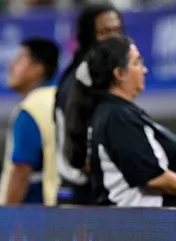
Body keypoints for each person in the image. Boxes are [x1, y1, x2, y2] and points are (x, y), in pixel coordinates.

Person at [64, 36, 176, 207]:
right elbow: (151, 178)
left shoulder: (119, 112)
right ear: (119, 73)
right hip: (141, 226)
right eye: (137, 63)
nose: (144, 70)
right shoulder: (117, 117)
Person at [54, 4, 124, 205]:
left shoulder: (109, 79)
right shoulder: (78, 84)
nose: (113, 38)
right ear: (88, 36)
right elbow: (82, 154)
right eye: (105, 32)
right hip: (82, 199)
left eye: (117, 30)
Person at [0, 37, 61, 206]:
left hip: (37, 217)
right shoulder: (63, 99)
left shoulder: (31, 109)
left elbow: (21, 171)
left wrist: (6, 219)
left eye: (19, 59)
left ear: (37, 69)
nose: (11, 65)